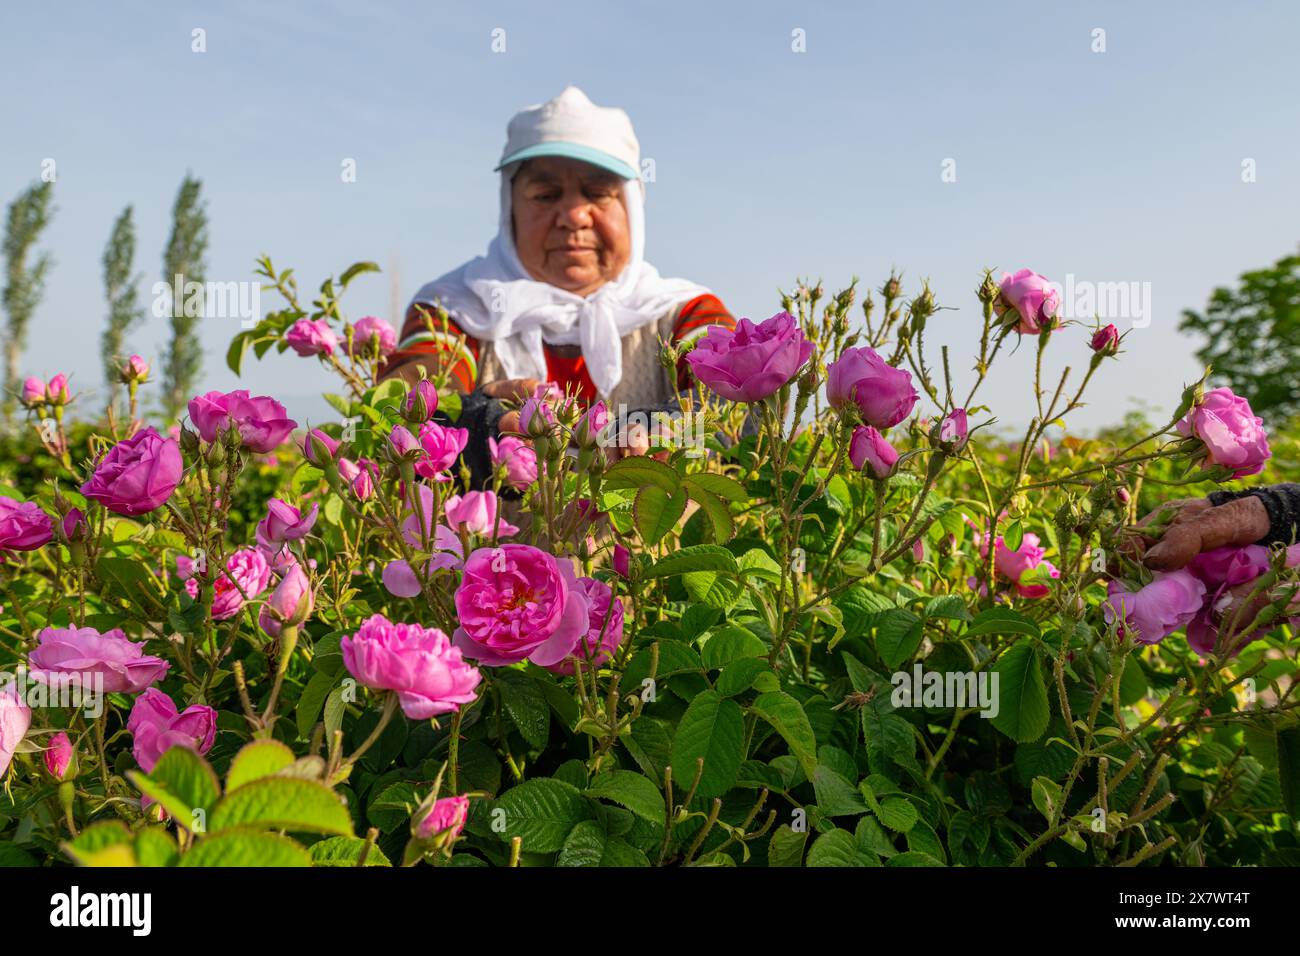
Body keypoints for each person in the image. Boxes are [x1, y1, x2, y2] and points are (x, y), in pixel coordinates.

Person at [379, 86, 737, 480]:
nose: (573, 216)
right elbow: (406, 397)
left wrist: (667, 428)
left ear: (632, 207)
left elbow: (736, 394)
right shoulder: (454, 308)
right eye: (545, 195)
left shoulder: (685, 310)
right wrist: (474, 422)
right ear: (509, 209)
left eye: (598, 193)